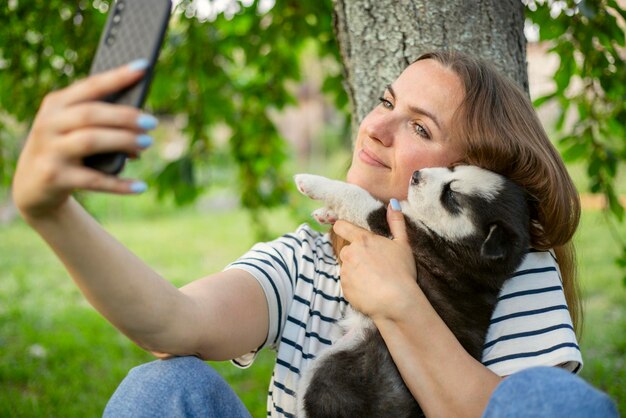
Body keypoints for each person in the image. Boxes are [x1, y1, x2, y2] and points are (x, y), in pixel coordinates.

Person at [12, 50, 617, 418]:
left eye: (420, 128)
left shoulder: (515, 270)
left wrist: (399, 302)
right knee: (164, 389)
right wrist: (52, 212)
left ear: (474, 177)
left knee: (557, 408)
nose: (376, 126)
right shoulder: (306, 258)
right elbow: (172, 324)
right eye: (386, 101)